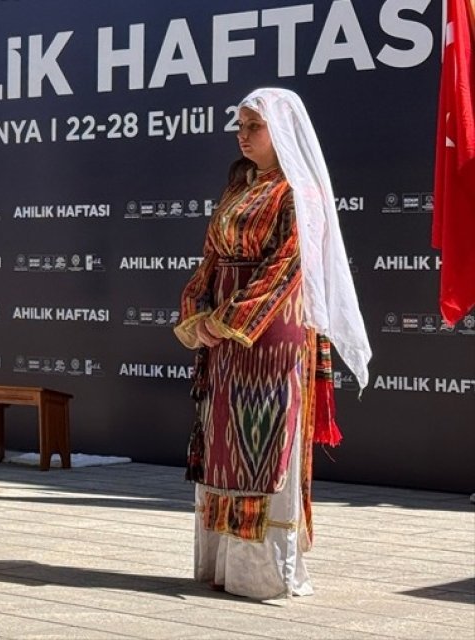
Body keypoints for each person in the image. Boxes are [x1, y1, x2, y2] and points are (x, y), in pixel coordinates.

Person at [174, 88, 371, 599]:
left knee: (262, 442)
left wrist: (229, 320)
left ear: (280, 130)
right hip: (224, 335)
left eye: (253, 127)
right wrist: (196, 312)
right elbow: (211, 258)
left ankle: (261, 576)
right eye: (239, 126)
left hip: (271, 335)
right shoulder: (238, 187)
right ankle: (223, 566)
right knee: (223, 444)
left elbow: (287, 267)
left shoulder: (297, 194)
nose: (242, 135)